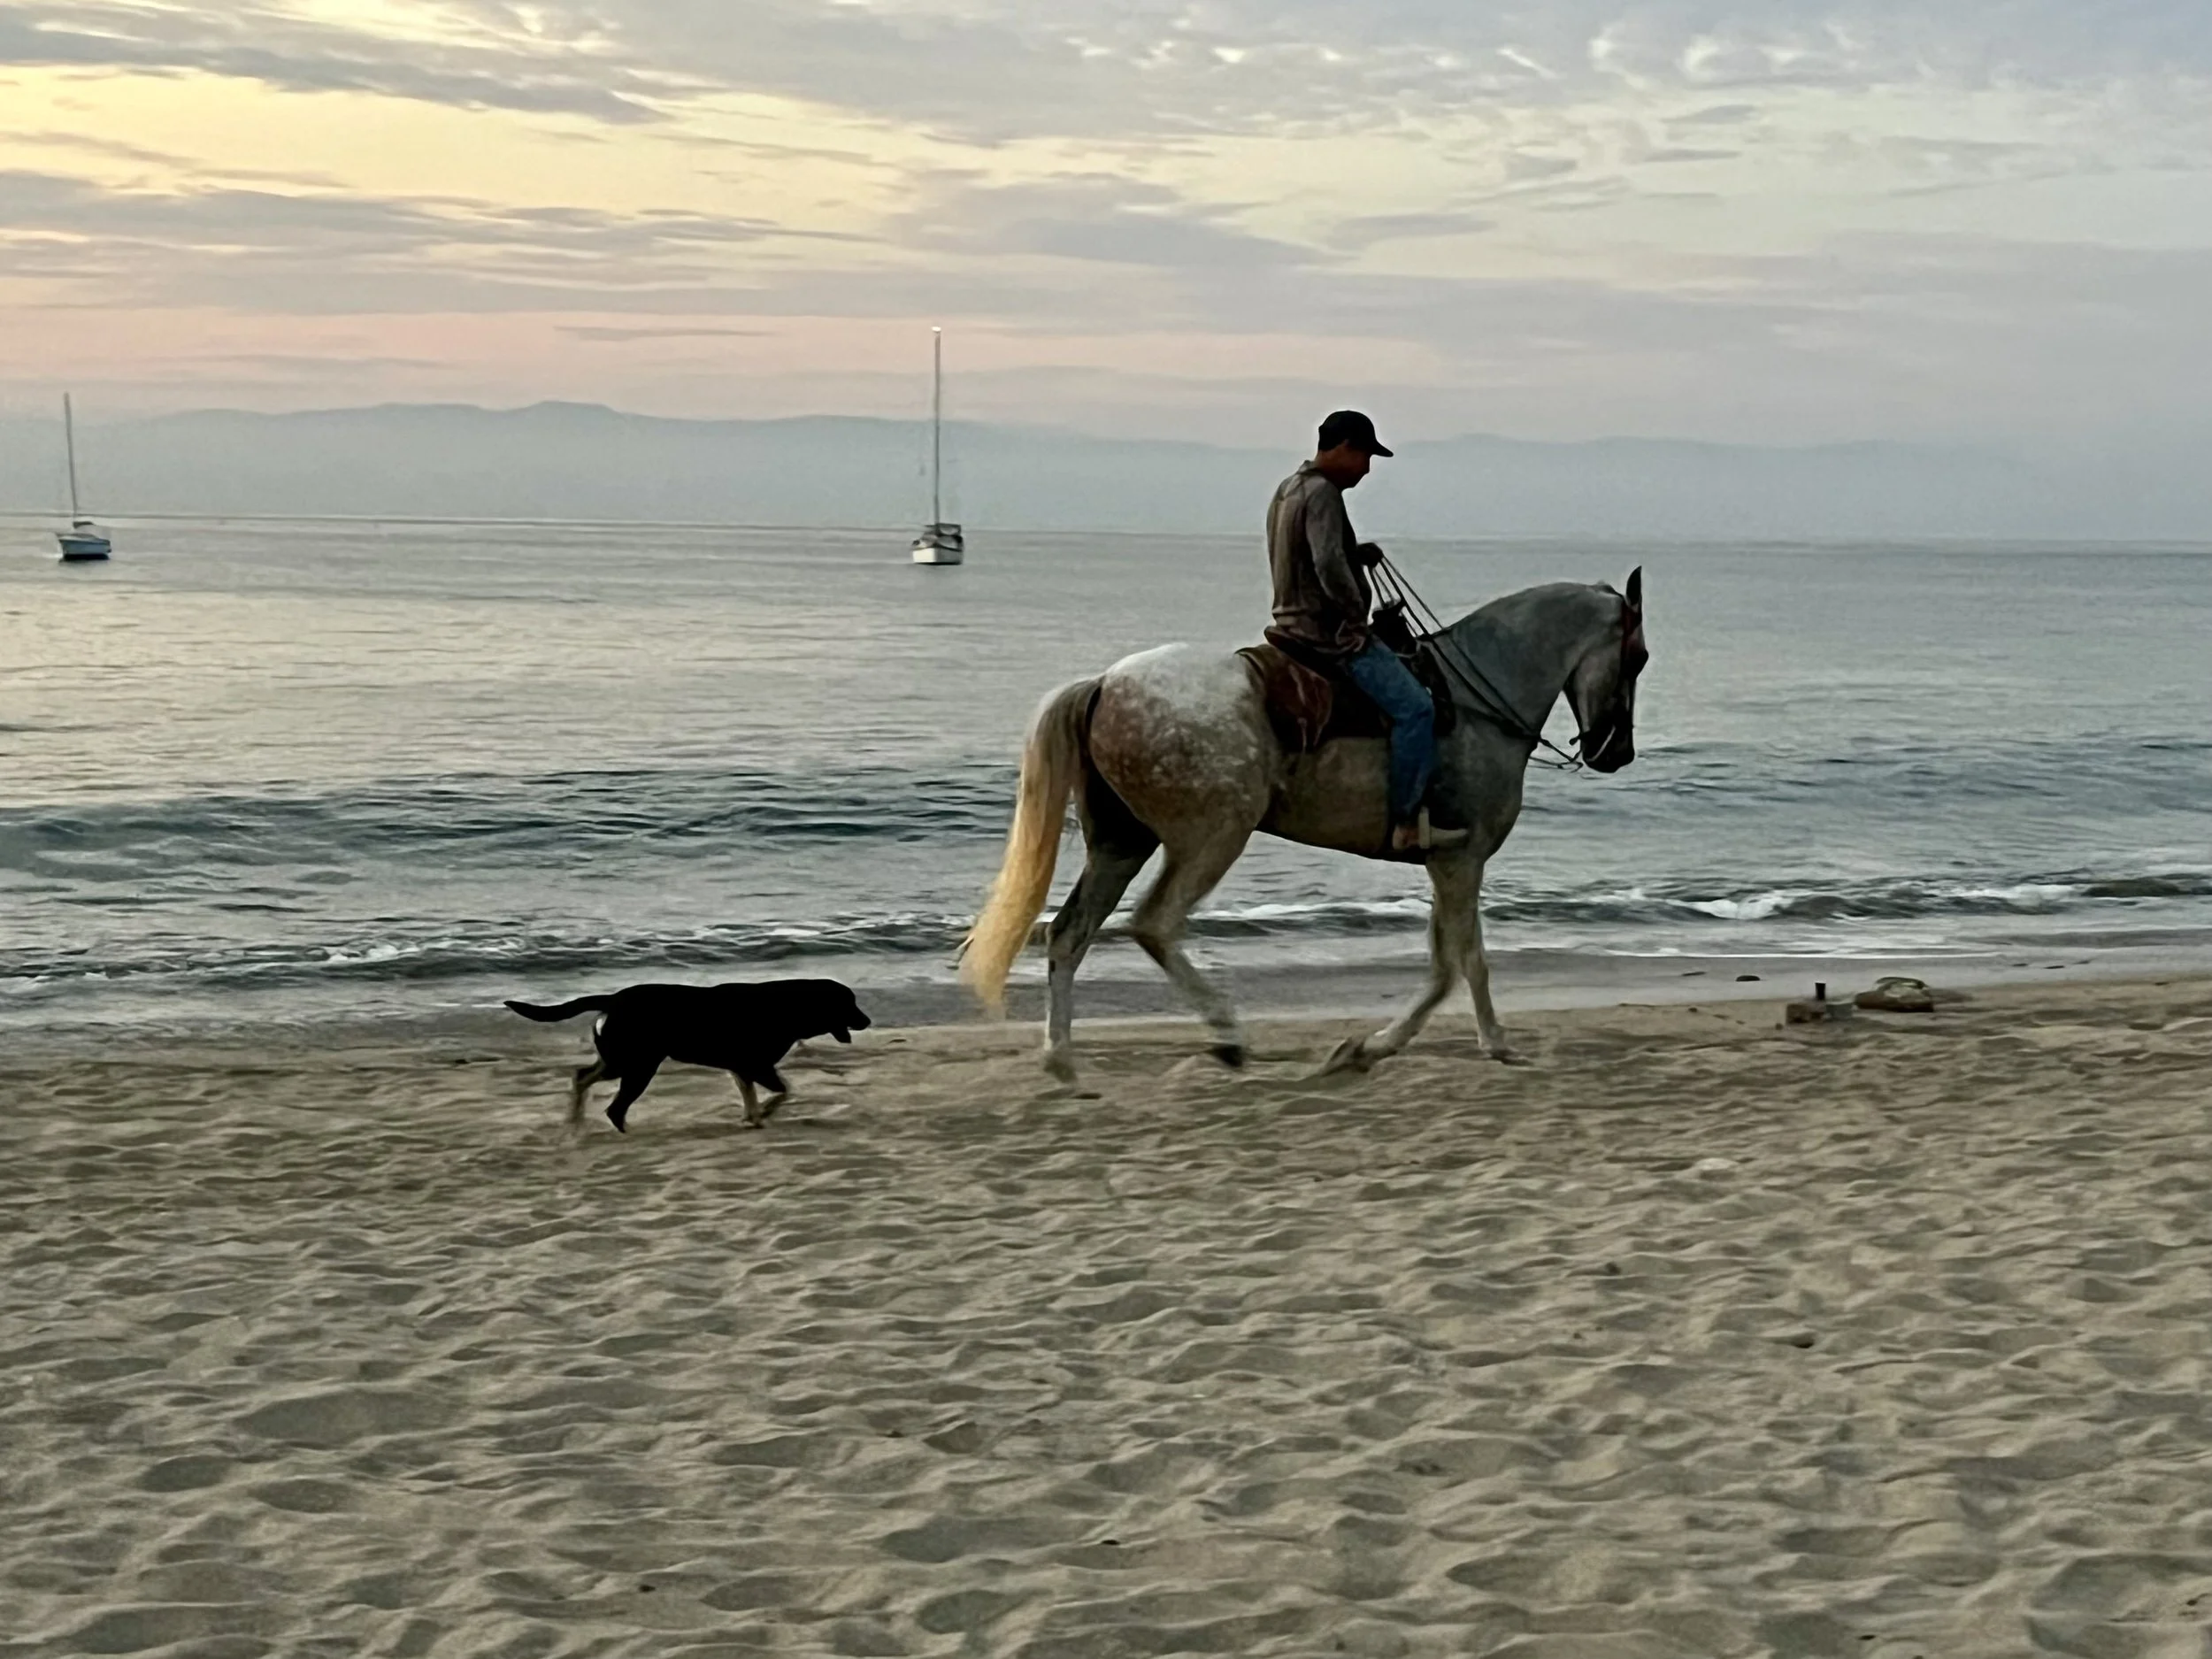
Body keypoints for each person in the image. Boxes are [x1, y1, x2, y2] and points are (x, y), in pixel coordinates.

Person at [1265, 410, 1466, 856]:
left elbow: (1308, 551)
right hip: (1327, 636)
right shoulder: (1324, 494)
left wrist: (1355, 552)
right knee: (1417, 709)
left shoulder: (1289, 489)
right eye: (1365, 457)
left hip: (1289, 623)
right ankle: (1406, 823)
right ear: (1344, 448)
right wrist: (1356, 616)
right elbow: (1326, 564)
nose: (1367, 469)